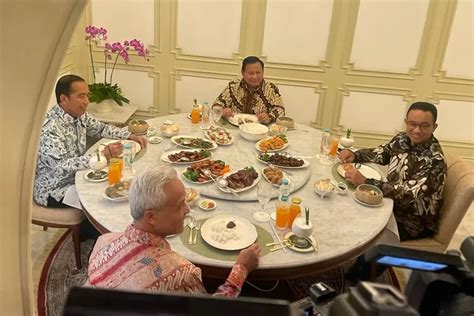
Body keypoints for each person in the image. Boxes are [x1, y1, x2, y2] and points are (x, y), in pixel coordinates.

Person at [85, 164, 261, 297]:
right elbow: (211, 311)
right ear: (151, 217)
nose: (187, 210)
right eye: (179, 205)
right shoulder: (181, 273)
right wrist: (241, 268)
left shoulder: (103, 242)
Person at [33, 74, 147, 208]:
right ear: (64, 99)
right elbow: (61, 167)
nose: (87, 101)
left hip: (80, 177)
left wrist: (129, 135)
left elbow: (101, 128)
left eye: (87, 95)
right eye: (81, 96)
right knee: (104, 202)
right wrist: (101, 157)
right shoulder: (50, 128)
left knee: (120, 187)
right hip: (55, 189)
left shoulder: (79, 115)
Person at [338, 102, 447, 241]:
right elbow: (382, 153)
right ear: (406, 122)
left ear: (434, 127)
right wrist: (355, 155)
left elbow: (409, 195)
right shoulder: (402, 138)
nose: (417, 130)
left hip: (411, 221)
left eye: (424, 125)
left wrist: (367, 182)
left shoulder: (434, 159)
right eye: (412, 124)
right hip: (390, 203)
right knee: (345, 207)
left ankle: (361, 261)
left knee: (358, 230)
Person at [213, 56, 285, 124]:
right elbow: (217, 104)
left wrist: (269, 117)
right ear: (243, 73)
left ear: (263, 72)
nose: (255, 77)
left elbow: (280, 110)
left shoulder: (270, 88)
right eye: (251, 73)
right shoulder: (233, 86)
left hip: (259, 130)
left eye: (258, 73)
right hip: (234, 128)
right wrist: (223, 111)